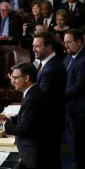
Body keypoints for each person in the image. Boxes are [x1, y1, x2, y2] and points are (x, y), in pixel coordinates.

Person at [0, 62, 50, 168]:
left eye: (15, 78)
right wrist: (7, 118)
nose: (13, 81)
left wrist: (4, 123)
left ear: (26, 78)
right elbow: (25, 117)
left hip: (33, 151)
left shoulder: (32, 98)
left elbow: (23, 129)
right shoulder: (32, 93)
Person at [32, 32, 66, 169]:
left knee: (49, 161)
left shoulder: (51, 68)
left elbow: (41, 98)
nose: (33, 49)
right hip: (49, 122)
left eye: (37, 46)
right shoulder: (48, 64)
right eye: (33, 46)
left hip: (49, 124)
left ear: (49, 47)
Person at [63, 28, 85, 169]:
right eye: (64, 42)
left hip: (80, 112)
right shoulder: (68, 57)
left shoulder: (83, 60)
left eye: (68, 42)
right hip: (69, 110)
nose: (66, 46)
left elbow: (80, 86)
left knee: (80, 148)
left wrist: (59, 96)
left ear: (79, 41)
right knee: (73, 145)